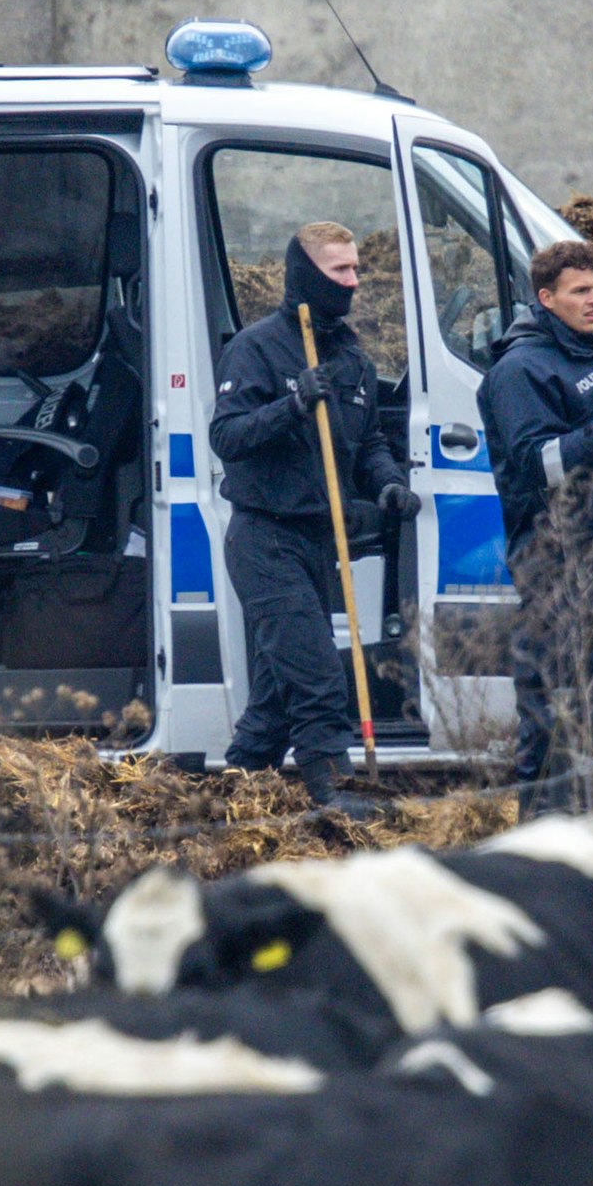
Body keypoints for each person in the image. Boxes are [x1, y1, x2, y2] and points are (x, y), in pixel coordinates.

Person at [209, 221, 419, 813]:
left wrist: (389, 484)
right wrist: (293, 403)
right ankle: (335, 795)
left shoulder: (351, 357)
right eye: (340, 272)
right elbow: (225, 436)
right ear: (305, 274)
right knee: (317, 674)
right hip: (263, 536)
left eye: (356, 270)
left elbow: (370, 439)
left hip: (318, 541)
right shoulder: (255, 348)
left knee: (280, 690)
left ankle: (234, 792)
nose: (353, 281)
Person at [478, 239, 593, 814]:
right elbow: (537, 467)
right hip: (555, 558)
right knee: (554, 700)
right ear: (546, 298)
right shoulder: (518, 372)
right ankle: (538, 824)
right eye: (581, 291)